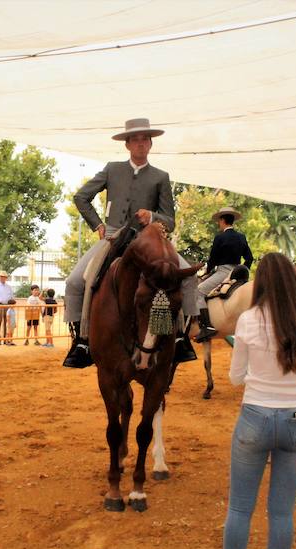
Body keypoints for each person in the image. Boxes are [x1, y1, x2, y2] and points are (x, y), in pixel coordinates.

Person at [210, 253, 296, 549]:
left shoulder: (247, 321)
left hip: (255, 418)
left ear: (259, 283)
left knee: (240, 508)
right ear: (294, 282)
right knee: (282, 513)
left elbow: (234, 379)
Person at [63, 117, 198, 368]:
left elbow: (170, 220)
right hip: (113, 236)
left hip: (148, 240)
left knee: (187, 277)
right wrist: (97, 225)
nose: (140, 143)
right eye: (134, 139)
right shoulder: (112, 169)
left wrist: (153, 216)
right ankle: (80, 341)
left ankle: (180, 337)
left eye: (144, 139)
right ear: (127, 145)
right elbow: (81, 197)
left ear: (150, 144)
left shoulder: (160, 176)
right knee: (75, 281)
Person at [195, 206, 254, 342]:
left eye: (219, 221)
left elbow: (213, 260)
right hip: (237, 272)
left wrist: (207, 272)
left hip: (223, 272)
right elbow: (249, 258)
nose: (218, 224)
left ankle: (206, 327)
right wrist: (242, 270)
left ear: (222, 220)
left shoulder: (220, 237)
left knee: (199, 291)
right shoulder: (241, 237)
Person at [0, 270, 15, 346]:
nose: (2, 278)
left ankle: (5, 339)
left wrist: (11, 305)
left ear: (6, 278)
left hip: (7, 306)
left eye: (4, 277)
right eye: (1, 276)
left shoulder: (9, 287)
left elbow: (11, 297)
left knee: (7, 323)